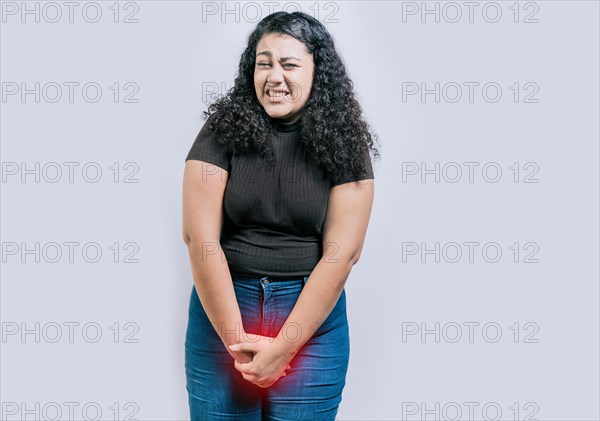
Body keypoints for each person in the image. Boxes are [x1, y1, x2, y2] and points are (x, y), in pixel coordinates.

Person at [182, 11, 380, 421]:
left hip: (309, 322)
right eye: (264, 62)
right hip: (223, 310)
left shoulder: (345, 140)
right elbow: (199, 239)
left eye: (289, 64)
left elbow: (342, 254)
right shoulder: (222, 130)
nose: (275, 76)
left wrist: (284, 347)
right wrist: (238, 344)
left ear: (316, 71)